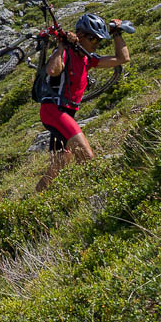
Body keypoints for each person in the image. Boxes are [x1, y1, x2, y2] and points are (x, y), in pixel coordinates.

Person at [35, 13, 131, 192]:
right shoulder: (67, 52)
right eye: (93, 39)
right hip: (54, 109)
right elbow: (53, 70)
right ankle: (91, 193)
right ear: (81, 35)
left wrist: (117, 33)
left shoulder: (88, 59)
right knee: (86, 155)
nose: (96, 44)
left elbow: (122, 58)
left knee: (60, 163)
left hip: (66, 112)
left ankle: (37, 196)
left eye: (99, 41)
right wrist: (62, 46)